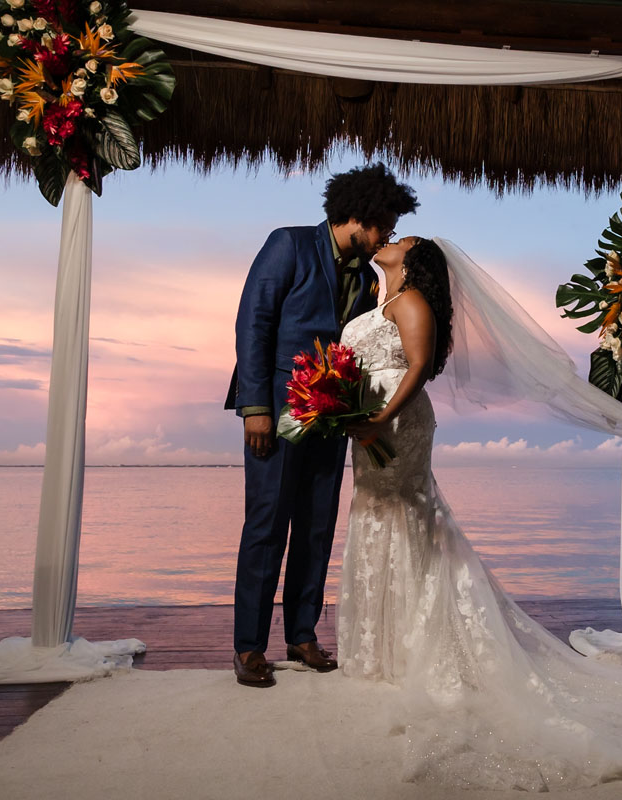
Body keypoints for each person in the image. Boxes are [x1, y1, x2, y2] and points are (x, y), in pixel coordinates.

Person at [338, 237, 622, 790]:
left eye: (400, 239)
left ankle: (421, 645)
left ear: (413, 260)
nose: (388, 239)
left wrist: (379, 417)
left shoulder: (412, 302)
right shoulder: (380, 301)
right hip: (370, 421)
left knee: (408, 519)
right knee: (378, 516)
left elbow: (420, 365)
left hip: (394, 423)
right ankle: (387, 645)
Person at [225, 164, 418, 687]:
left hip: (334, 419)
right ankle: (249, 648)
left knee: (316, 527)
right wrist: (255, 408)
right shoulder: (287, 245)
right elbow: (253, 323)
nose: (387, 236)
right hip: (278, 412)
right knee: (266, 527)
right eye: (384, 226)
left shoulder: (365, 275)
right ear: (357, 216)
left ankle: (302, 635)